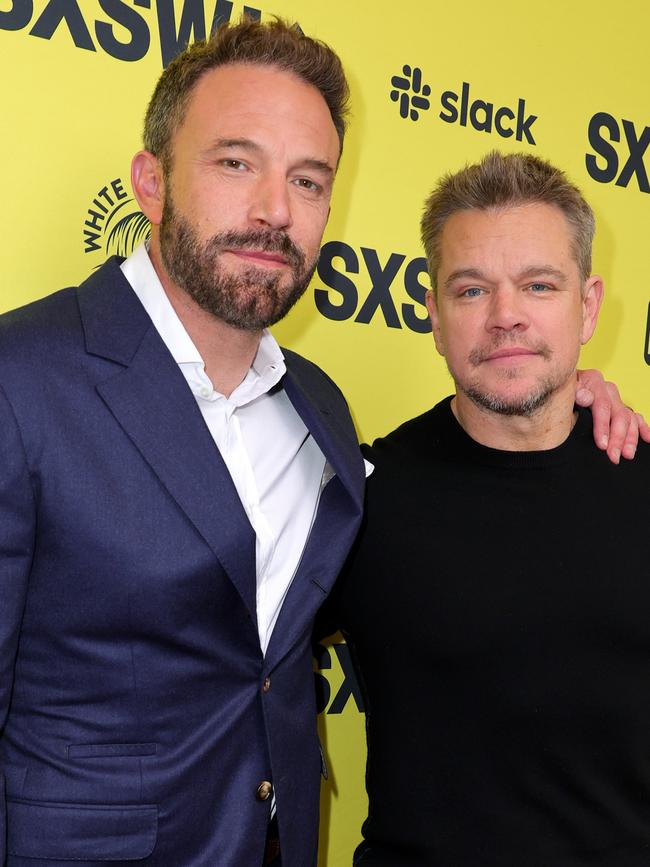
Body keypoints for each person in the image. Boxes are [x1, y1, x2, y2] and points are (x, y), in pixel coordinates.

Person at [0, 19, 641, 867]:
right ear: (150, 182)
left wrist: (578, 397)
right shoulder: (23, 377)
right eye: (236, 162)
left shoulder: (320, 419)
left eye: (307, 180)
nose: (274, 208)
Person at [333, 152, 650, 866]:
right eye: (472, 290)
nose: (506, 316)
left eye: (539, 285)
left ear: (588, 305)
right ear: (434, 313)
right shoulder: (359, 494)